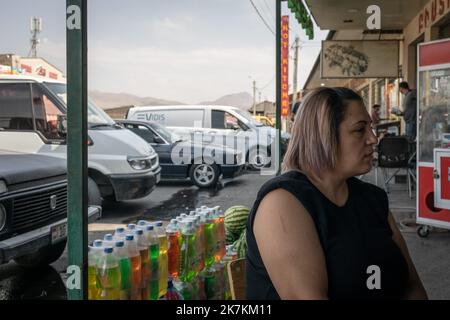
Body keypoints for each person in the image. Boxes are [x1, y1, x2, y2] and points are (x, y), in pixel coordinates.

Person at [245, 87, 427, 300]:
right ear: (324, 135)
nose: (372, 139)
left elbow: (412, 285)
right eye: (360, 130)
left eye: (371, 127)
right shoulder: (282, 203)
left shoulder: (373, 198)